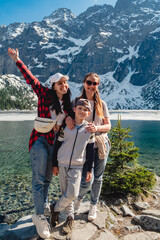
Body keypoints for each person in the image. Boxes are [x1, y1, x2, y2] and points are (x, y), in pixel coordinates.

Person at [8, 48, 73, 239]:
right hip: (39, 140)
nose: (64, 85)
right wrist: (18, 60)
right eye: (60, 83)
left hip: (54, 144)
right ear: (53, 86)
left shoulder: (67, 106)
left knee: (47, 179)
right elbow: (31, 80)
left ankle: (42, 205)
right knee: (38, 180)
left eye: (66, 83)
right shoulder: (44, 95)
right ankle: (38, 216)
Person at [66, 72, 111, 221]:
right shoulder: (76, 102)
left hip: (100, 144)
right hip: (82, 146)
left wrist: (96, 128)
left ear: (98, 86)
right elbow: (67, 116)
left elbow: (108, 126)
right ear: (84, 83)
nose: (92, 86)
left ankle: (93, 205)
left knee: (97, 177)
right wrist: (67, 118)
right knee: (84, 178)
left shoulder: (101, 104)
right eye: (89, 83)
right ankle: (78, 199)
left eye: (95, 84)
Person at [51, 98, 95, 234]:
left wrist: (89, 169)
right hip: (62, 164)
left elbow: (90, 151)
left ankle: (56, 208)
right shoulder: (66, 126)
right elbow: (57, 145)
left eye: (85, 110)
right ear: (74, 109)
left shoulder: (89, 129)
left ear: (88, 113)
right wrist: (54, 164)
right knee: (66, 193)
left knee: (73, 194)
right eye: (80, 108)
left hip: (77, 166)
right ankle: (70, 218)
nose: (82, 111)